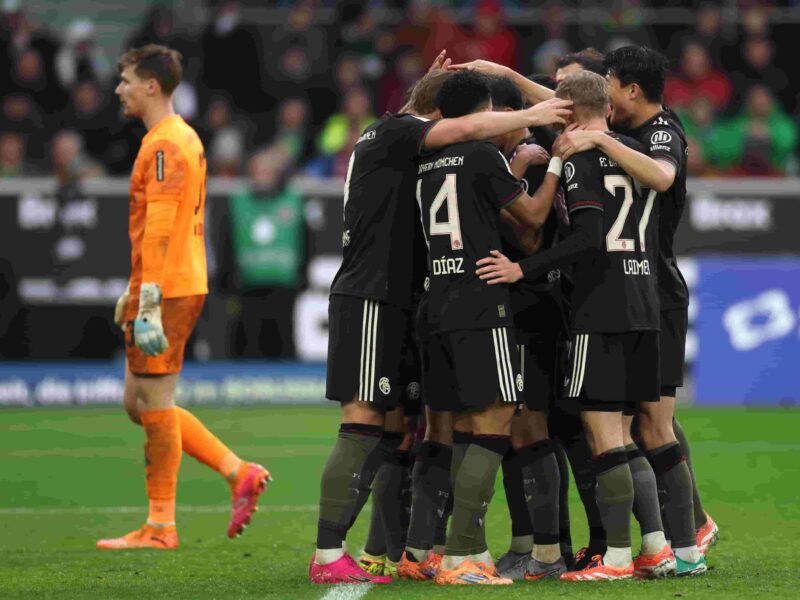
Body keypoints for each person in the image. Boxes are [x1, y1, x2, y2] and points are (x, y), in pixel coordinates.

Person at [310, 50, 572, 585]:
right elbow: (524, 215)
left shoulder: (398, 139)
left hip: (416, 301)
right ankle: (337, 551)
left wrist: (430, 86)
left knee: (400, 431)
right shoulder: (420, 140)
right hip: (379, 295)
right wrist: (533, 122)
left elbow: (433, 116)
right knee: (368, 423)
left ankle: (406, 548)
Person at [476, 70, 669, 581]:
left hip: (597, 307)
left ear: (563, 108)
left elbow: (586, 236)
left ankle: (618, 558)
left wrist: (524, 268)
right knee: (626, 434)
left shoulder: (582, 156)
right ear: (607, 107)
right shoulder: (634, 150)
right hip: (643, 302)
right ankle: (660, 545)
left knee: (602, 437)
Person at [96, 44, 269, 551]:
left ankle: (162, 525)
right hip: (170, 283)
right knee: (140, 402)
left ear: (152, 84)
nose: (119, 89)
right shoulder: (180, 137)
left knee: (153, 402)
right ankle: (236, 471)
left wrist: (146, 299)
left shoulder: (165, 144)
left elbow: (162, 228)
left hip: (168, 288)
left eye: (125, 79)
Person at [554, 46, 719, 567]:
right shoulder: (626, 136)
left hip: (644, 291)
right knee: (645, 425)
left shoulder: (661, 132)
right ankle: (676, 546)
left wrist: (595, 135)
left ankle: (646, 546)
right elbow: (573, 106)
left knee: (636, 428)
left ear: (629, 90)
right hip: (644, 291)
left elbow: (663, 177)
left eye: (609, 82)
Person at [417, 71, 563, 586]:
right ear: (483, 112)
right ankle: (463, 556)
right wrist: (550, 167)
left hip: (437, 299)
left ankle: (440, 548)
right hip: (482, 305)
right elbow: (534, 217)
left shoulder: (427, 158)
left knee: (460, 431)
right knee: (496, 424)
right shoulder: (483, 157)